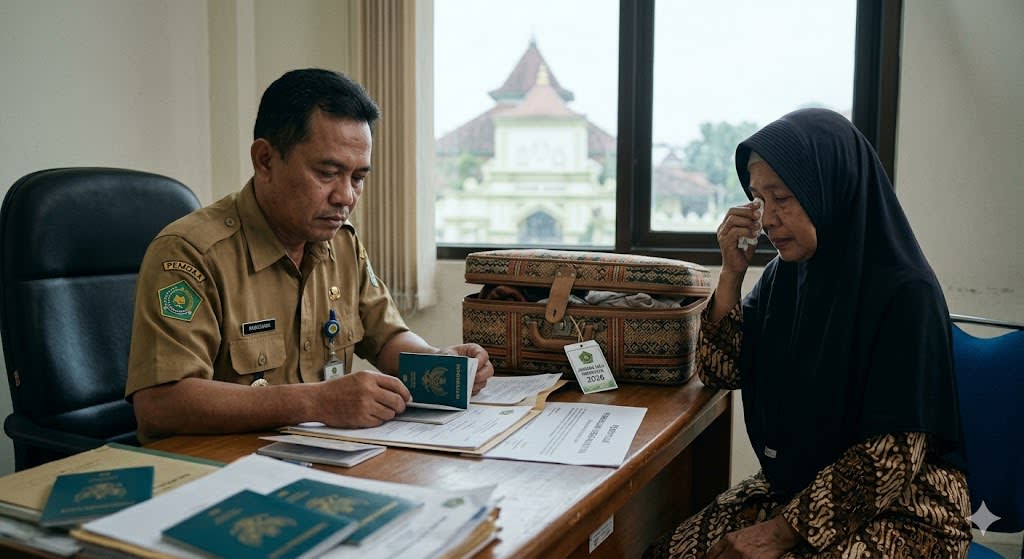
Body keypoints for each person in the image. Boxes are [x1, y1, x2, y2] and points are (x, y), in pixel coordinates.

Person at [644, 108, 971, 558]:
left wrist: (781, 532)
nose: (768, 218)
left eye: (782, 197)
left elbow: (892, 458)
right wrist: (731, 276)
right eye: (758, 199)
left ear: (831, 191)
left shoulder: (904, 291)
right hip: (800, 486)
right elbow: (721, 372)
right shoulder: (787, 275)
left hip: (908, 508)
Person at [125, 68, 493, 442]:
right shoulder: (191, 254)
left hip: (319, 459)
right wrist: (314, 402)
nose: (346, 196)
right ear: (265, 160)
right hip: (222, 469)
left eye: (358, 178)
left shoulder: (341, 244)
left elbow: (386, 340)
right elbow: (160, 406)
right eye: (328, 172)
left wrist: (439, 360)